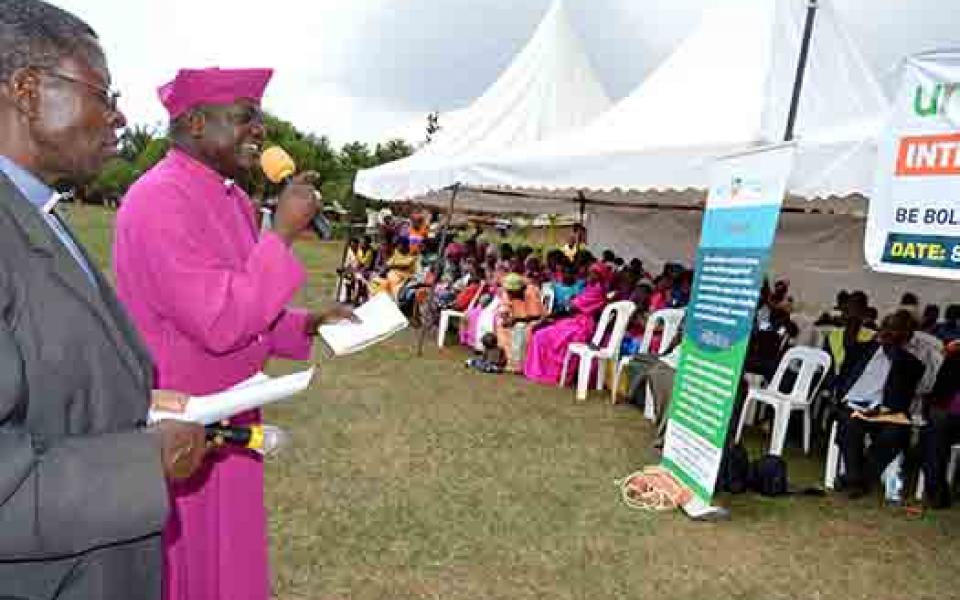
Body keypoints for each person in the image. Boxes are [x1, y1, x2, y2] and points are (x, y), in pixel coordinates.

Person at [114, 67, 351, 600]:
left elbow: (249, 301)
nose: (260, 131)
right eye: (246, 117)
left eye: (259, 118)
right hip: (184, 424)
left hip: (234, 416)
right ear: (197, 122)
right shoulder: (159, 199)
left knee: (231, 567)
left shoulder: (234, 200)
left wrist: (307, 323)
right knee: (189, 569)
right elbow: (220, 321)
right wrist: (283, 235)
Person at [0, 2, 207, 598]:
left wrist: (134, 402)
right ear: (28, 91)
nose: (118, 117)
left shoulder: (38, 210)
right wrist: (144, 462)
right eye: (103, 94)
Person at [836, 311, 929, 499]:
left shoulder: (911, 364)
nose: (889, 334)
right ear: (881, 329)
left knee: (896, 433)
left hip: (885, 413)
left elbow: (902, 400)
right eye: (888, 329)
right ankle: (856, 478)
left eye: (896, 331)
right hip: (854, 406)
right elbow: (842, 380)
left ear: (906, 337)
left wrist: (894, 355)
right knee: (849, 424)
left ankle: (860, 478)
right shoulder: (860, 350)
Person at [523, 262, 613, 386]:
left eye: (593, 273)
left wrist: (548, 318)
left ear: (599, 276)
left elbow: (571, 307)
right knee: (544, 332)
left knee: (541, 335)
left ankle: (548, 373)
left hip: (582, 326)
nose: (590, 275)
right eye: (590, 272)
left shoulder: (596, 291)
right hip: (576, 321)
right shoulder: (591, 288)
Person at [919, 348, 960, 508]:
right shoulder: (955, 358)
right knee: (934, 426)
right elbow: (938, 393)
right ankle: (936, 491)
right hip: (950, 417)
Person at [495, 273, 544, 372]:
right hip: (516, 317)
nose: (509, 294)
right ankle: (508, 359)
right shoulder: (508, 292)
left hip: (533, 320)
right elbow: (505, 305)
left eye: (511, 292)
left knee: (521, 328)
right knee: (501, 325)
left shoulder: (531, 292)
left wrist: (516, 320)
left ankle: (520, 364)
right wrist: (505, 316)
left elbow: (536, 315)